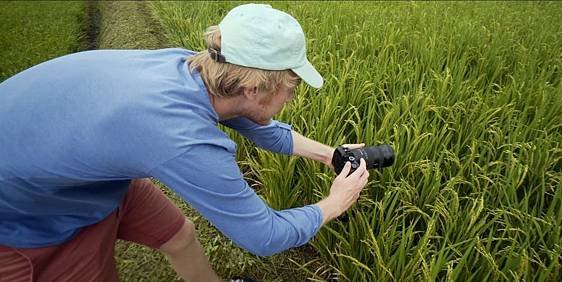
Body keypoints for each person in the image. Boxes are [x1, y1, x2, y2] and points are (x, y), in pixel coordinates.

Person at [0, 3, 370, 282]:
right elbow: (264, 236)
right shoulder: (183, 139)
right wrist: (336, 203)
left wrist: (330, 156)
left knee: (178, 235)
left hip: (69, 169)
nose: (292, 98)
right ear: (253, 88)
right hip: (27, 214)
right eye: (291, 88)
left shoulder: (194, 66)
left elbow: (260, 126)